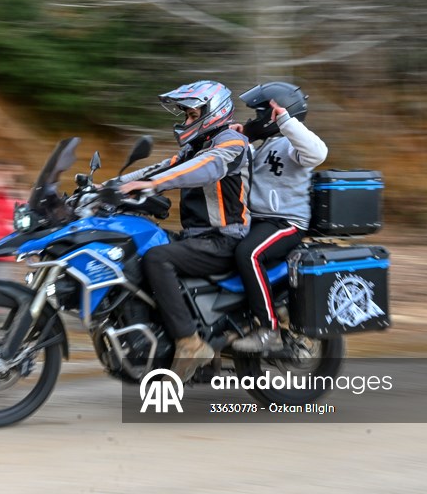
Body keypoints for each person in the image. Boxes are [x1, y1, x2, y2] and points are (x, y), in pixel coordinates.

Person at [119, 80, 252, 380]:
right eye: (186, 116)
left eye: (192, 115)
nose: (186, 122)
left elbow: (207, 167)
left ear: (213, 112)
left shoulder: (231, 142)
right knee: (138, 253)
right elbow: (159, 168)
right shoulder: (195, 147)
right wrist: (106, 187)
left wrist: (153, 185)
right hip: (199, 238)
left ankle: (190, 343)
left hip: (225, 238)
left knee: (157, 258)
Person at [230, 82, 328, 353]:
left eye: (258, 113)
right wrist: (239, 138)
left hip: (286, 223)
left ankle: (268, 329)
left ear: (274, 114)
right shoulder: (265, 145)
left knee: (249, 254)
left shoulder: (293, 144)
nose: (253, 119)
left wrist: (286, 122)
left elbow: (318, 153)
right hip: (258, 221)